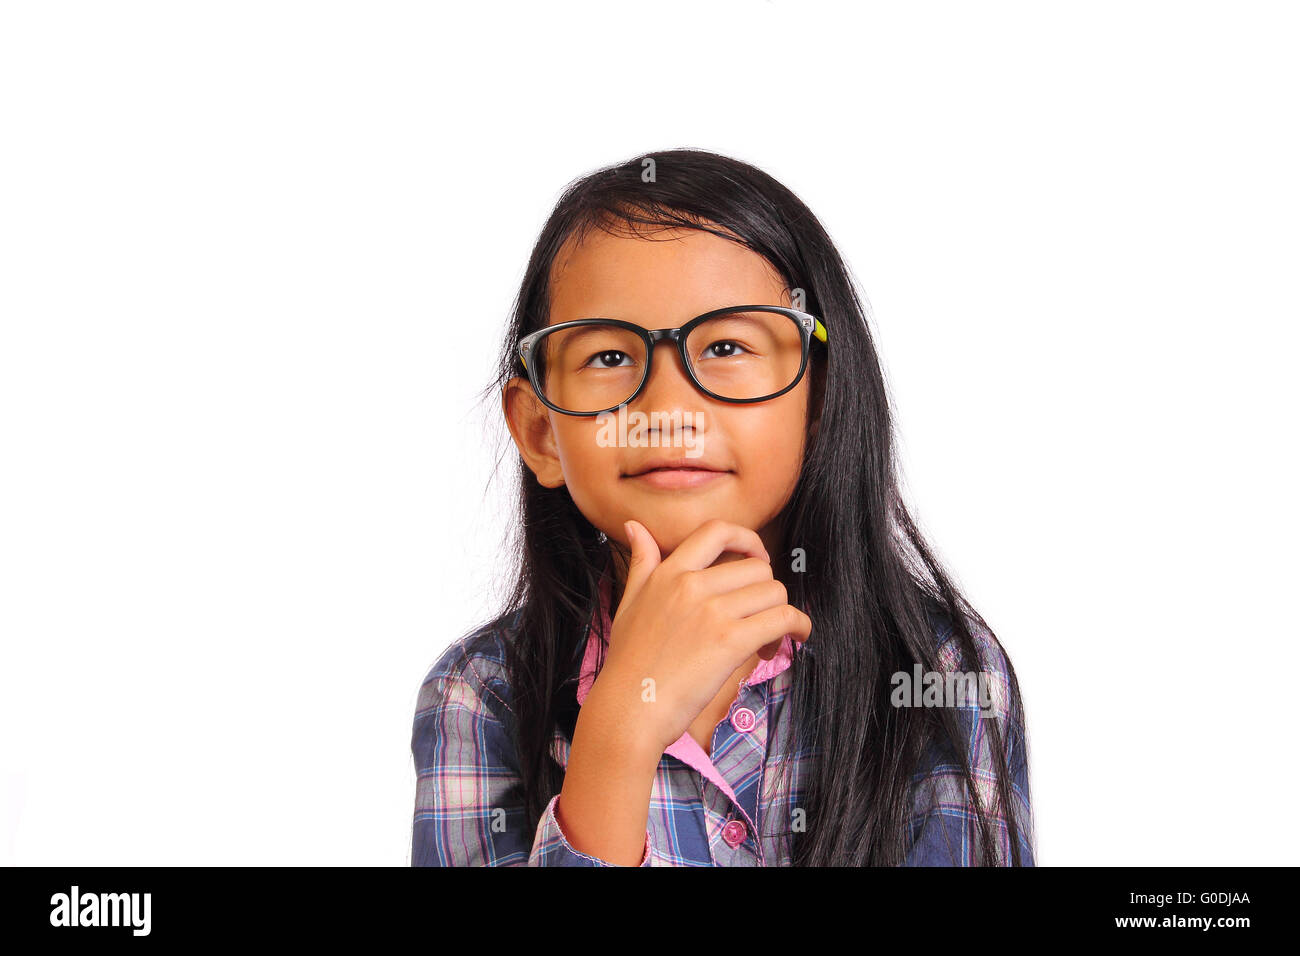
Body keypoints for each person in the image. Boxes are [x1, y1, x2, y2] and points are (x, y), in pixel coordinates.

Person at [411, 148, 1034, 866]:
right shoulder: (479, 696)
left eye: (729, 345)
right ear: (541, 431)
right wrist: (619, 730)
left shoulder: (941, 669)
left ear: (821, 401)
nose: (670, 409)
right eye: (609, 358)